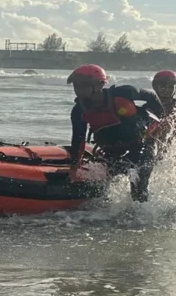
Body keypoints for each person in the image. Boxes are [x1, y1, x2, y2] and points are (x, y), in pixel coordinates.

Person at [67, 64, 164, 202]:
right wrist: (73, 168)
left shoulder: (124, 93)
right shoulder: (79, 110)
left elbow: (151, 97)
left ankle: (140, 217)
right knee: (105, 190)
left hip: (141, 146)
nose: (78, 90)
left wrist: (161, 117)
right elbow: (78, 139)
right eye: (76, 86)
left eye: (84, 85)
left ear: (99, 85)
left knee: (138, 190)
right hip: (113, 151)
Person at [151, 69, 176, 142]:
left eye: (171, 87)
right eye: (163, 86)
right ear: (155, 87)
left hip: (175, 143)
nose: (167, 89)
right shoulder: (149, 107)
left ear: (175, 88)